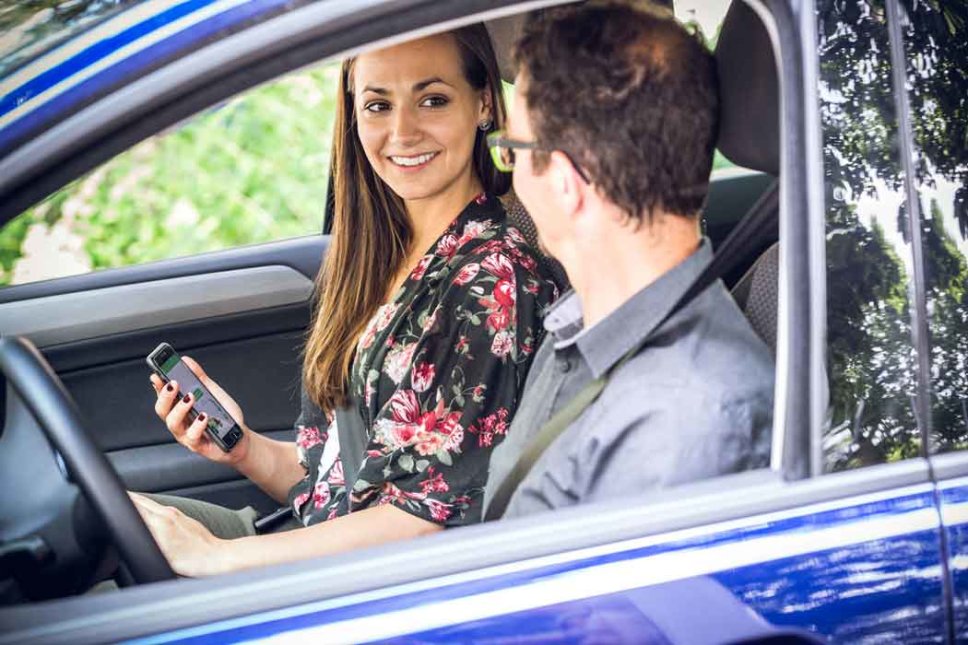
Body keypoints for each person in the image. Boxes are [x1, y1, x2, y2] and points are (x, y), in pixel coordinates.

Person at [131, 25, 558, 577]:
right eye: (378, 105)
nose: (402, 131)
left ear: (481, 104)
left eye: (432, 99)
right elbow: (334, 477)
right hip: (315, 543)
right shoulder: (372, 257)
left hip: (360, 586)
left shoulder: (492, 282)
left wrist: (217, 557)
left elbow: (416, 521)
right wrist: (242, 449)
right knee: (94, 522)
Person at [481, 2, 774, 519]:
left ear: (566, 184)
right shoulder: (578, 328)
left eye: (512, 151)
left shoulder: (683, 422)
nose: (514, 176)